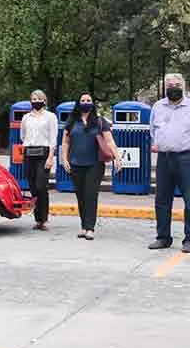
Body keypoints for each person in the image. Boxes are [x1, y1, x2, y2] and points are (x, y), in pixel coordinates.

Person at [148, 74, 190, 253]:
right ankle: (163, 237)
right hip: (164, 158)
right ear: (164, 87)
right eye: (170, 85)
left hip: (188, 158)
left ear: (183, 87)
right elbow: (153, 131)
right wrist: (163, 144)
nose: (173, 87)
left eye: (177, 84)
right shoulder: (158, 107)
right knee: (161, 200)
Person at [61, 92, 122, 240]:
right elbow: (65, 142)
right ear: (78, 102)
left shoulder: (100, 121)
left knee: (90, 195)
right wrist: (64, 159)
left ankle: (90, 228)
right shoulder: (72, 121)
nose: (86, 102)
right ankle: (83, 226)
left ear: (92, 103)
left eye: (88, 100)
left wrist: (117, 157)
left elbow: (109, 141)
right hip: (75, 164)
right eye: (83, 100)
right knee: (80, 196)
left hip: (94, 164)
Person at [20, 90, 58, 230]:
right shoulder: (26, 118)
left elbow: (53, 138)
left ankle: (43, 218)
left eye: (38, 98)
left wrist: (50, 157)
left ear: (44, 100)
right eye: (33, 99)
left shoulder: (50, 117)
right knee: (33, 187)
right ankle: (38, 220)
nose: (35, 101)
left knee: (42, 186)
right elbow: (23, 136)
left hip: (44, 153)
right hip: (29, 153)